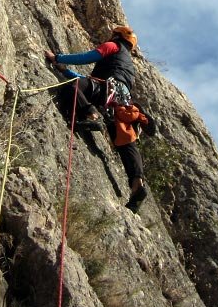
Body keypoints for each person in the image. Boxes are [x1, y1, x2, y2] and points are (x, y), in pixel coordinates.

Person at [45, 26, 156, 212]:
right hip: (119, 100)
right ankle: (137, 182)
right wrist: (64, 70)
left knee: (71, 88)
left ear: (117, 36)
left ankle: (90, 114)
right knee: (125, 141)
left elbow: (87, 58)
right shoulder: (128, 65)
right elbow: (89, 80)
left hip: (103, 90)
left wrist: (58, 57)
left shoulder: (113, 46)